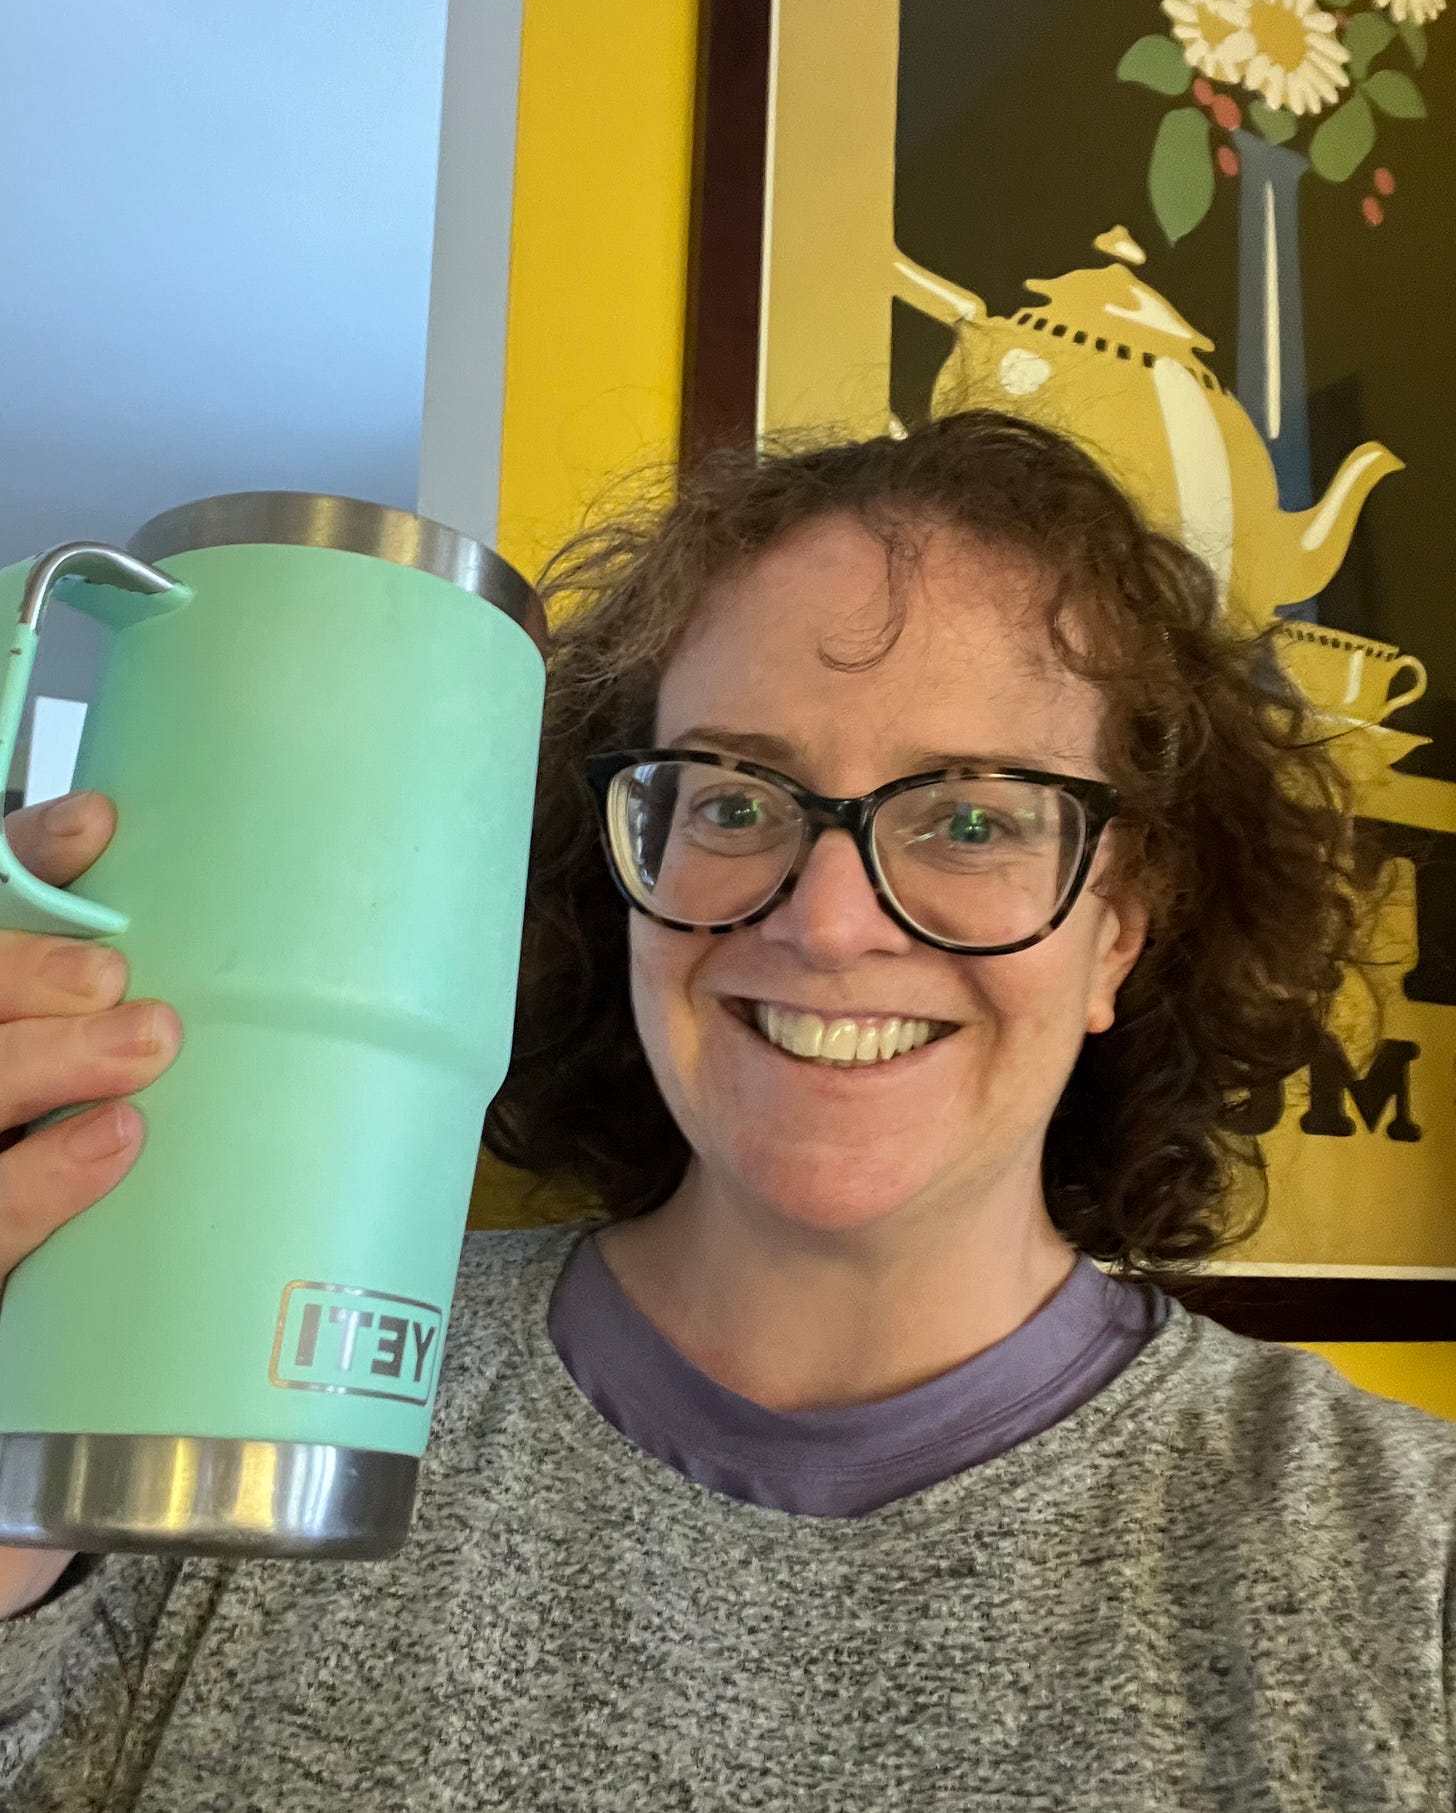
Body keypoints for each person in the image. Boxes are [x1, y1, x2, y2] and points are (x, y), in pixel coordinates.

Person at [0, 410, 1451, 1811]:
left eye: (969, 817)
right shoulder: (242, 1393)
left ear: (1119, 929)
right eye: (734, 799)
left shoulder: (1403, 1563)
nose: (826, 926)